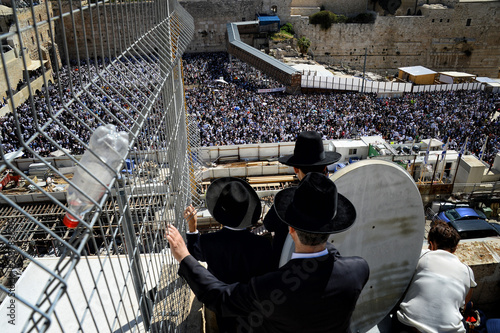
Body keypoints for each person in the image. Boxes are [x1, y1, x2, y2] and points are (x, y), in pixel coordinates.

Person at [167, 172, 370, 333]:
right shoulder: (359, 270)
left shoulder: (270, 288)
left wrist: (184, 256)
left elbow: (220, 297)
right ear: (331, 228)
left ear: (291, 230)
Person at [184, 177, 273, 332]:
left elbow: (193, 254)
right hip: (252, 305)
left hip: (223, 304)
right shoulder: (263, 245)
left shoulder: (208, 242)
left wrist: (193, 228)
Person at [263, 130, 341, 267]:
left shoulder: (286, 201)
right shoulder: (332, 199)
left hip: (285, 267)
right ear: (325, 167)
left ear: (295, 169)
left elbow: (269, 224)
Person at [393, 221, 477, 333]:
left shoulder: (422, 255)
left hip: (409, 325)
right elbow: (464, 306)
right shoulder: (467, 271)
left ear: (431, 245)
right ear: (455, 248)